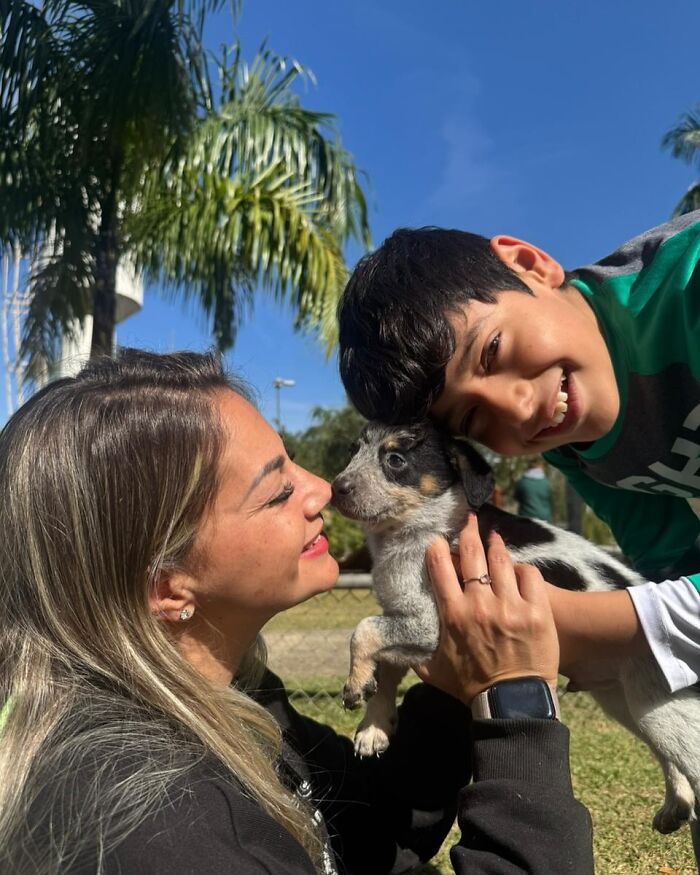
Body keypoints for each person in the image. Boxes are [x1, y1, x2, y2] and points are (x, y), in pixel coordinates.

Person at [0, 348, 593, 875]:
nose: (323, 488)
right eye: (278, 490)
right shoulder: (155, 830)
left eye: (292, 463)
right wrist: (517, 706)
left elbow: (367, 826)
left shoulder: (236, 700)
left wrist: (449, 690)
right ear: (168, 588)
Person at [337, 214, 700, 700]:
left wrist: (576, 623)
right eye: (473, 419)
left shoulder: (686, 287)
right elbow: (672, 560)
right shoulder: (574, 442)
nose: (518, 409)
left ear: (531, 265)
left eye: (492, 350)